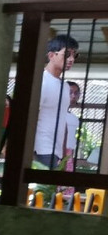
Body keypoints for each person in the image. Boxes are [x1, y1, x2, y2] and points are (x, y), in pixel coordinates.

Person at [33, 34, 79, 169]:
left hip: (55, 151)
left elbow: (62, 119)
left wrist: (64, 154)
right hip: (40, 149)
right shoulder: (42, 81)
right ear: (51, 55)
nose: (71, 59)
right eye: (67, 54)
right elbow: (30, 118)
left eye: (74, 55)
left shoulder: (64, 86)